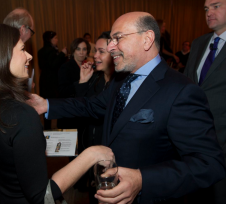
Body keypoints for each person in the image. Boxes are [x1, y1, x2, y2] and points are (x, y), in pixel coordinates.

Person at [26, 12, 226, 204]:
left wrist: (142, 180)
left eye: (117, 38)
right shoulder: (120, 80)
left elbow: (209, 164)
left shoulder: (181, 91)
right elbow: (91, 105)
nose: (111, 46)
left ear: (147, 39)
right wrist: (46, 105)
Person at [0, 23, 114, 204]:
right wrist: (91, 155)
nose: (29, 56)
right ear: (1, 57)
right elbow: (42, 196)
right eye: (22, 49)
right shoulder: (22, 115)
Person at [184, 0, 226, 203]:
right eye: (206, 9)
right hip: (193, 142)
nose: (209, 12)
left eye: (216, 6)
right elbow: (187, 86)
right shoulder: (199, 43)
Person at [76, 31, 115, 204]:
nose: (95, 56)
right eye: (95, 51)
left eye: (101, 51)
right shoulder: (96, 79)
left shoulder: (120, 84)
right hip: (91, 153)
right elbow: (81, 109)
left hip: (110, 157)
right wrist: (83, 81)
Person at [57, 38, 90, 129]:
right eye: (78, 49)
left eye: (84, 49)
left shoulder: (87, 67)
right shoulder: (65, 67)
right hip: (69, 112)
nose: (81, 52)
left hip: (82, 112)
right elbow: (62, 91)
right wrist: (80, 84)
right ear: (73, 50)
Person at [38, 31, 67, 129]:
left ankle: (46, 128)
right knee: (52, 104)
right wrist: (62, 54)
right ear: (49, 40)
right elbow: (53, 65)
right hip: (51, 82)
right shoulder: (51, 51)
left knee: (45, 104)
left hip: (43, 80)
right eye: (55, 38)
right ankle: (53, 128)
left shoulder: (40, 51)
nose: (57, 40)